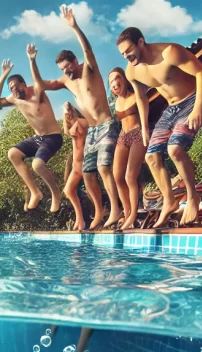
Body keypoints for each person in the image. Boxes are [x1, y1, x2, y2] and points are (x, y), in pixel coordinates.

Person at [117, 27, 202, 227]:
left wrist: (198, 108)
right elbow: (141, 97)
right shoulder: (132, 70)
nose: (127, 57)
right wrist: (143, 127)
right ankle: (169, 201)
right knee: (150, 157)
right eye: (123, 54)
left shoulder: (170, 52)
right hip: (171, 109)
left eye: (129, 50)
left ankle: (193, 197)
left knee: (174, 148)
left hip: (191, 101)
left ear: (141, 42)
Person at [45, 6, 121, 230]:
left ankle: (115, 209)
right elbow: (46, 85)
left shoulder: (89, 69)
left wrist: (74, 27)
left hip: (107, 124)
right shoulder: (69, 81)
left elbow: (88, 50)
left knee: (104, 168)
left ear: (75, 61)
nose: (67, 72)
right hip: (92, 132)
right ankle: (99, 213)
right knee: (88, 174)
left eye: (68, 67)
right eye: (63, 69)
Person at [0, 47, 63, 213]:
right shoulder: (14, 99)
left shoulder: (37, 92)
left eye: (16, 86)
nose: (14, 90)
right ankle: (35, 192)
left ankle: (55, 194)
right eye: (11, 89)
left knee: (37, 165)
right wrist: (3, 75)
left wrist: (32, 60)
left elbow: (38, 80)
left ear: (24, 84)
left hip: (53, 137)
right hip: (37, 138)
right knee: (13, 154)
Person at [108, 67, 147, 230]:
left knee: (130, 177)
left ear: (124, 79)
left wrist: (145, 130)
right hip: (123, 136)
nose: (114, 83)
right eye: (111, 81)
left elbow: (145, 109)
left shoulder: (136, 95)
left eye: (117, 78)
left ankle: (133, 215)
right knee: (117, 176)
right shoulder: (115, 102)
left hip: (138, 133)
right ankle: (126, 210)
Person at [62, 103, 88, 231]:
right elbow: (67, 132)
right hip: (76, 164)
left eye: (70, 113)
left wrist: (70, 110)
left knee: (88, 191)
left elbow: (82, 125)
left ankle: (82, 220)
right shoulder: (72, 125)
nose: (68, 116)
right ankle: (80, 219)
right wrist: (65, 115)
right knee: (68, 191)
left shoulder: (82, 122)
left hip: (85, 161)